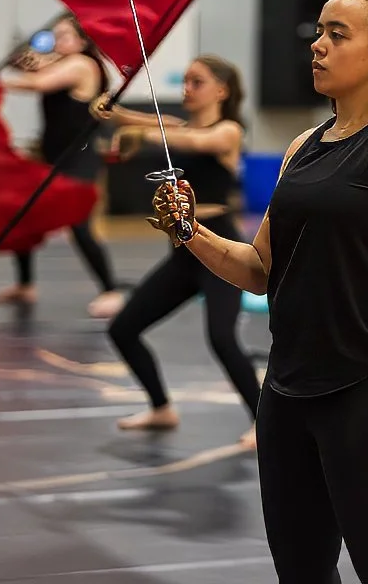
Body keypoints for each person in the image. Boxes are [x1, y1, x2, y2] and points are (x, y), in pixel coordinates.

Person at [148, 0, 368, 583]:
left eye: (337, 35)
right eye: (319, 32)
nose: (317, 45)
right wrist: (188, 230)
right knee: (301, 573)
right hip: (288, 391)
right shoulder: (302, 147)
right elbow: (259, 269)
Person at [91, 55, 259, 440]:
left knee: (222, 338)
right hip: (184, 254)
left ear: (222, 90)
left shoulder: (229, 131)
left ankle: (263, 422)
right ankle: (161, 408)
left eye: (197, 82)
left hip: (220, 251)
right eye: (185, 81)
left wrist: (142, 135)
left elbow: (197, 140)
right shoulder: (176, 127)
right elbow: (146, 122)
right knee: (123, 329)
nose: (187, 89)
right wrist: (109, 111)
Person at [0, 14, 123, 317]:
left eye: (65, 36)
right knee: (22, 215)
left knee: (78, 223)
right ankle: (25, 285)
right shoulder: (61, 62)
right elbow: (32, 66)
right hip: (54, 157)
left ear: (82, 41)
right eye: (56, 35)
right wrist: (20, 59)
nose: (58, 41)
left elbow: (39, 82)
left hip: (79, 158)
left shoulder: (82, 65)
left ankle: (110, 290)